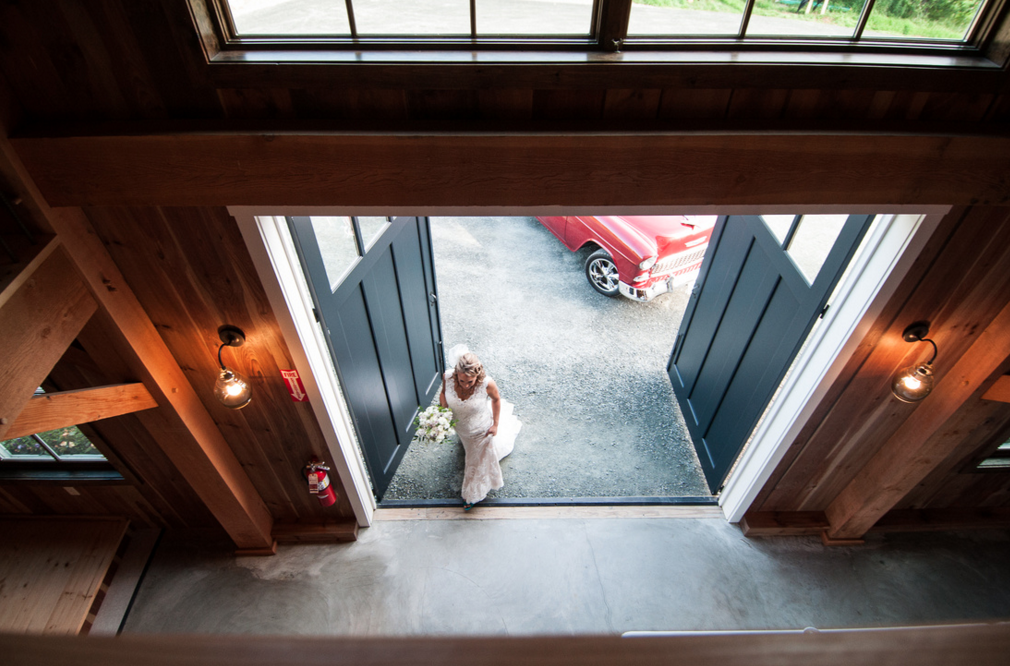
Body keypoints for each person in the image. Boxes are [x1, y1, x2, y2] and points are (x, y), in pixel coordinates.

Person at [440, 345, 521, 510]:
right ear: (456, 374)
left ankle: (472, 494)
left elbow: (496, 400)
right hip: (460, 426)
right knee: (469, 451)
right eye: (461, 381)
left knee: (473, 463)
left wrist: (496, 424)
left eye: (470, 381)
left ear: (477, 375)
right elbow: (443, 393)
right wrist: (443, 412)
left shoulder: (487, 383)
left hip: (479, 430)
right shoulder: (448, 377)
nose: (465, 385)